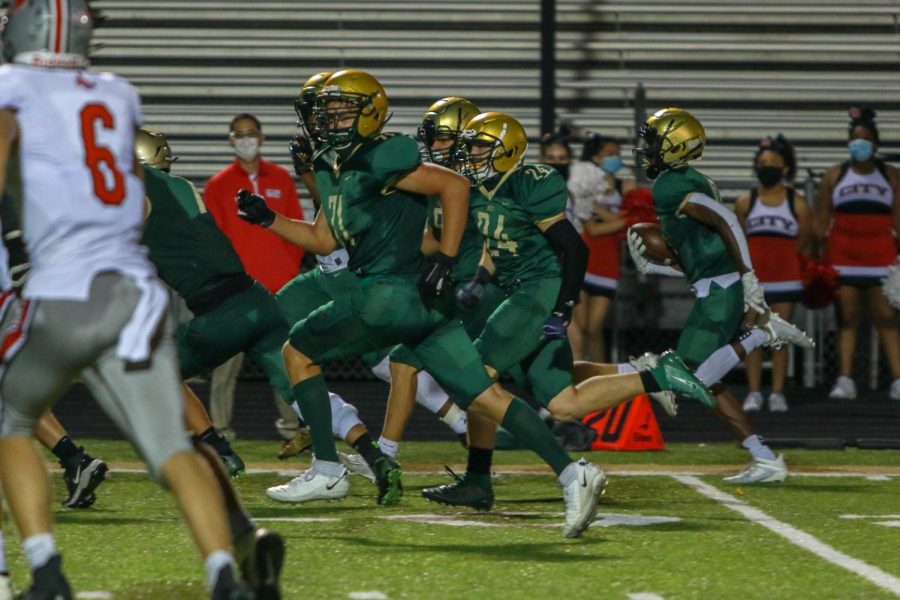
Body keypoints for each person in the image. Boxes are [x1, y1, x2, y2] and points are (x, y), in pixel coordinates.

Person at [237, 69, 610, 538]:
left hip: (387, 294)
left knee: (297, 352)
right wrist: (267, 217)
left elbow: (452, 186)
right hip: (422, 305)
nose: (328, 118)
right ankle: (573, 473)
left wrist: (448, 257)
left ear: (369, 114)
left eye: (340, 109)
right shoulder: (341, 166)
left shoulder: (384, 154)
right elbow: (322, 236)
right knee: (485, 395)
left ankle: (329, 470)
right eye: (324, 110)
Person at [0, 2, 270, 597]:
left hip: (62, 290)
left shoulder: (11, 85)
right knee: (171, 447)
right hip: (133, 292)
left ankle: (46, 571)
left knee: (10, 421)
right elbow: (134, 202)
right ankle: (224, 574)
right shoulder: (115, 94)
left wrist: (19, 242)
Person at [410, 112, 708, 511]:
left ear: (507, 151)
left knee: (476, 380)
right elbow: (497, 245)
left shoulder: (529, 185)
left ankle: (559, 474)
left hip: (536, 292)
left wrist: (564, 307)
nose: (472, 154)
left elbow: (575, 247)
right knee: (564, 403)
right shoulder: (478, 189)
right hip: (514, 290)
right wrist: (480, 279)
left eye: (481, 146)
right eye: (470, 146)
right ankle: (657, 376)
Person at [628, 107, 815, 484]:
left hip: (722, 289)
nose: (645, 148)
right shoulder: (688, 179)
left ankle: (761, 333)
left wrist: (749, 276)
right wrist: (655, 267)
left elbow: (726, 219)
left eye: (653, 142)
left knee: (689, 376)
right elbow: (696, 257)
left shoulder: (671, 184)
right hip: (713, 285)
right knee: (707, 383)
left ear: (676, 146)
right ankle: (763, 457)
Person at [203, 113, 304, 441]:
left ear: (261, 137)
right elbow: (212, 239)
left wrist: (287, 270)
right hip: (237, 292)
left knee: (283, 363)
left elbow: (298, 229)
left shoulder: (281, 179)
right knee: (224, 367)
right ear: (232, 140)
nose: (246, 139)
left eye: (251, 133)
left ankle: (293, 429)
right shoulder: (219, 185)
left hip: (278, 290)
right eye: (240, 134)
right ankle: (219, 430)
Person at [816, 107, 900, 401]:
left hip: (881, 256)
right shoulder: (835, 176)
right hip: (844, 256)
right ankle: (845, 379)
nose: (859, 145)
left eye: (865, 140)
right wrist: (819, 260)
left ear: (875, 144)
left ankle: (898, 380)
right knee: (847, 318)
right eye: (855, 139)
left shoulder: (890, 175)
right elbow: (820, 222)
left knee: (887, 318)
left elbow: (899, 219)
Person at [735, 135, 813, 412]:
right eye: (762, 163)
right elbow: (740, 238)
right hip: (755, 279)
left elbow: (805, 238)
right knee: (752, 334)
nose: (766, 167)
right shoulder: (746, 201)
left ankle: (778, 392)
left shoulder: (797, 202)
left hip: (786, 276)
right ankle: (754, 392)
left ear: (786, 168)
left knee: (779, 335)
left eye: (773, 163)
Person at [569, 134, 630, 362]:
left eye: (617, 155)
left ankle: (600, 378)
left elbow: (639, 215)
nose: (614, 159)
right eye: (609, 155)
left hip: (608, 263)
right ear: (595, 157)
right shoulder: (584, 184)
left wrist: (610, 218)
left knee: (595, 328)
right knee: (581, 327)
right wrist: (622, 220)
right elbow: (591, 229)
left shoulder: (625, 185)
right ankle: (582, 378)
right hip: (584, 259)